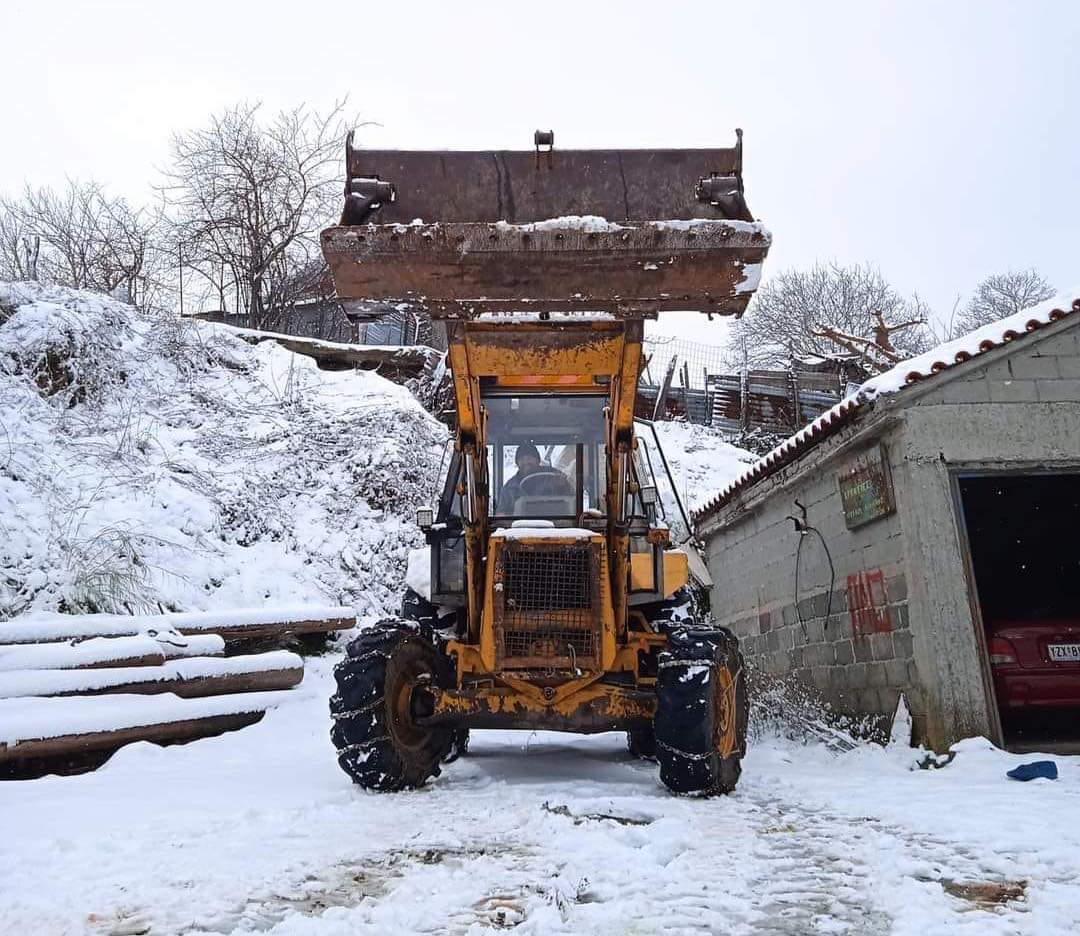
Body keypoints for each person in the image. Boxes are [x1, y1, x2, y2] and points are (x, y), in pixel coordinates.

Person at [497, 443, 571, 515]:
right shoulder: (509, 487)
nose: (526, 462)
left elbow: (571, 500)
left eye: (529, 458)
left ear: (538, 460)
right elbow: (501, 514)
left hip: (556, 524)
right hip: (520, 526)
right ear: (517, 463)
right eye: (522, 459)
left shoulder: (553, 476)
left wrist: (561, 487)